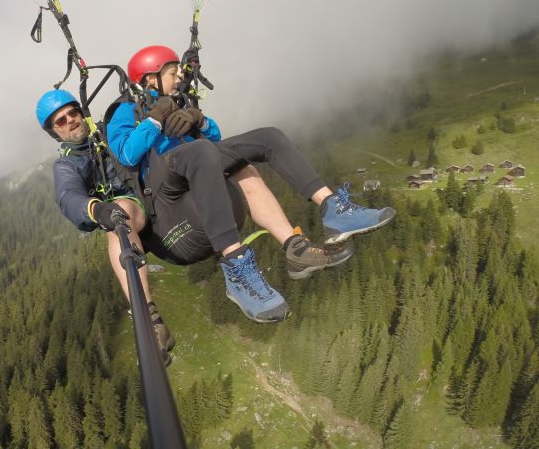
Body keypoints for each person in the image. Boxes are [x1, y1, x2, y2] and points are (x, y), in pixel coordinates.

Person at [106, 45, 396, 323]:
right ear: (149, 79)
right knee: (199, 151)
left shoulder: (180, 104)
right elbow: (127, 154)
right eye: (172, 73)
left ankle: (325, 218)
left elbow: (215, 142)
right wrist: (155, 119)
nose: (179, 78)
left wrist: (200, 120)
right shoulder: (125, 111)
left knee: (267, 137)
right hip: (165, 194)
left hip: (195, 168)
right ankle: (236, 266)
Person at [36, 89, 176, 365]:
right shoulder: (68, 164)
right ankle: (149, 317)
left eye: (72, 113)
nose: (70, 121)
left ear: (81, 112)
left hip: (156, 192)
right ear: (55, 132)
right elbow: (67, 196)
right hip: (127, 209)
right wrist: (96, 208)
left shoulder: (108, 131)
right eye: (60, 121)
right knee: (117, 221)